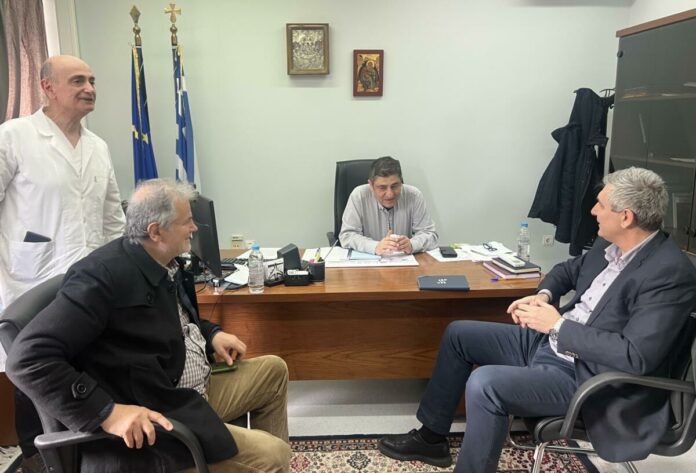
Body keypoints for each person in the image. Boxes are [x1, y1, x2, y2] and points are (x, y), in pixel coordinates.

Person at [378, 167, 696, 472]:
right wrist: (543, 295)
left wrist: (557, 325)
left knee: (485, 383)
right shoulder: (610, 244)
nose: (593, 211)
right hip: (551, 343)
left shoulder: (668, 273)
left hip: (586, 374)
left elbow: (634, 356)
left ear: (626, 217)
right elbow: (566, 271)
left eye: (600, 205)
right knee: (459, 334)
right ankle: (431, 439)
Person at [6, 179, 291, 473]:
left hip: (181, 389)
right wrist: (106, 412)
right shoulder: (101, 278)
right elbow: (25, 359)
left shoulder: (161, 262)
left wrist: (211, 334)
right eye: (187, 221)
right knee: (273, 455)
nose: (194, 228)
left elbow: (172, 320)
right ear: (156, 231)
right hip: (158, 415)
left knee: (273, 371)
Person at [0, 54, 125, 473]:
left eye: (92, 80)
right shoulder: (15, 137)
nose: (89, 88)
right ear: (47, 87)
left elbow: (112, 220)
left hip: (88, 283)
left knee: (82, 365)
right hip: (30, 280)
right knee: (32, 369)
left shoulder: (97, 146)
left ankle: (85, 453)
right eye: (77, 81)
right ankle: (37, 458)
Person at [339, 156, 438, 255]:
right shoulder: (359, 196)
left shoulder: (414, 196)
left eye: (395, 186)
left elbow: (430, 235)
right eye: (382, 187)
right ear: (371, 186)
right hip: (368, 260)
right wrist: (375, 246)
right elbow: (347, 236)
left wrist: (412, 244)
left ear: (401, 182)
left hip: (403, 260)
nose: (390, 194)